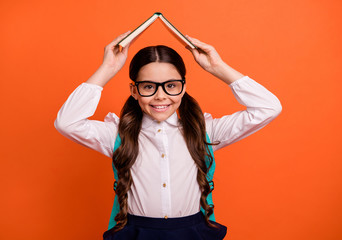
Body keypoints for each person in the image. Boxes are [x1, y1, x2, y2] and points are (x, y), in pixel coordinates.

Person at [54, 31, 282, 240]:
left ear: (183, 87)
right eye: (148, 87)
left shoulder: (206, 132)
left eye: (171, 86)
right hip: (135, 233)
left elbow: (268, 108)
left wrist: (217, 67)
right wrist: (107, 69)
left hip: (192, 233)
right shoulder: (116, 134)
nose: (160, 96)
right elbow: (66, 122)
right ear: (134, 90)